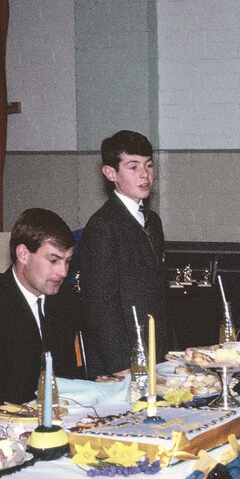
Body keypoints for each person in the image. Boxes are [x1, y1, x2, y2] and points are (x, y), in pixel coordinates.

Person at [0, 208, 84, 409]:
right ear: (23, 254)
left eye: (67, 261)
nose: (63, 272)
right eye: (53, 260)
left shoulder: (64, 299)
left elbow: (67, 376)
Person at [78, 130, 168, 375]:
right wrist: (120, 365)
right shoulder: (103, 226)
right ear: (111, 173)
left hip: (154, 350)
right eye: (133, 166)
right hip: (121, 360)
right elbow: (100, 304)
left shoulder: (153, 221)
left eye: (149, 165)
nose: (144, 174)